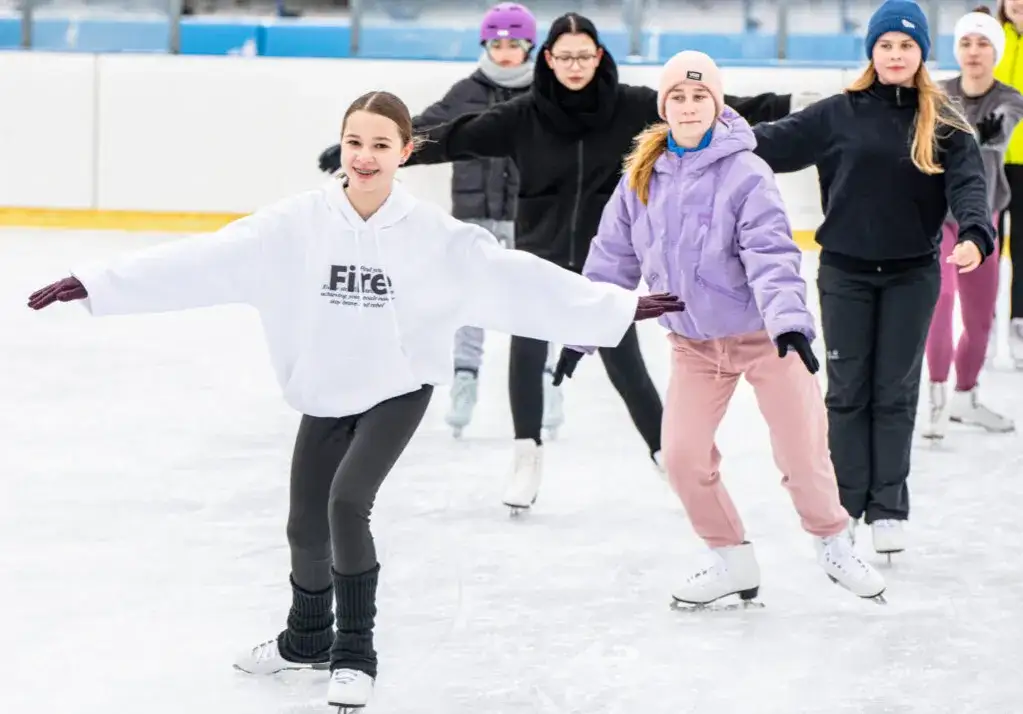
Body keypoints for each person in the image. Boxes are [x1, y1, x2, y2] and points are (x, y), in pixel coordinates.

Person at [26, 91, 683, 710]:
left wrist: (614, 306)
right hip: (327, 386)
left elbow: (513, 279)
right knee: (302, 524)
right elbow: (206, 259)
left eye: (379, 144)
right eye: (352, 142)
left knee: (346, 503)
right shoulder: (296, 225)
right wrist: (96, 283)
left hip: (398, 387)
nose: (363, 155)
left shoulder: (432, 236)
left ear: (405, 151)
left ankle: (354, 651)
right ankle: (304, 640)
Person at [403, 11, 799, 512]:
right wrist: (392, 151)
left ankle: (664, 456)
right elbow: (459, 136)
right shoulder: (523, 116)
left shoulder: (631, 107)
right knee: (527, 349)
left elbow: (727, 108)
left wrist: (800, 106)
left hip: (604, 262)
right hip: (540, 259)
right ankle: (527, 455)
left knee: (623, 358)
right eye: (565, 56)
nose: (574, 65)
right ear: (548, 58)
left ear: (599, 57)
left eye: (584, 55)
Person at [555, 50, 886, 607]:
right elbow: (610, 260)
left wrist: (789, 324)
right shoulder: (641, 174)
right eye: (677, 98)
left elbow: (770, 251)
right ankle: (731, 557)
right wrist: (580, 332)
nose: (688, 106)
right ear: (664, 107)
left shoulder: (746, 171)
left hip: (766, 339)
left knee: (802, 454)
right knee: (682, 458)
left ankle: (832, 542)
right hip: (693, 345)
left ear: (717, 102)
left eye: (699, 96)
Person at [751, 0, 996, 560]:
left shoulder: (946, 122)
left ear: (920, 55)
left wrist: (975, 236)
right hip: (845, 273)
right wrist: (710, 127)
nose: (895, 54)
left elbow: (969, 188)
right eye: (886, 45)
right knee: (846, 393)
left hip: (912, 275)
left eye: (906, 46)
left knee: (894, 393)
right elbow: (771, 143)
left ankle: (888, 507)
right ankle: (844, 507)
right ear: (872, 51)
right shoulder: (838, 113)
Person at [317, 3, 567, 440]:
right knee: (468, 300)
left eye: (515, 44)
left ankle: (545, 381)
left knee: (533, 297)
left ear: (531, 46)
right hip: (473, 214)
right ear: (485, 45)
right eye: (497, 44)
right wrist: (361, 153)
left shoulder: (547, 96)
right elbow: (417, 132)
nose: (506, 52)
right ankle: (466, 378)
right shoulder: (466, 92)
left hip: (530, 215)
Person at [924, 6, 1023, 438]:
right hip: (939, 219)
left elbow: (996, 133)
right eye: (966, 42)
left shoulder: (1010, 99)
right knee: (941, 301)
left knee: (980, 320)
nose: (974, 51)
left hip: (983, 222)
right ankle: (937, 398)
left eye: (983, 42)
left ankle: (966, 395)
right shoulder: (934, 94)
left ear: (997, 50)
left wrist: (959, 131)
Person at [994, 0, 1023, 366]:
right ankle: (981, 324)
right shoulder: (988, 39)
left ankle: (1019, 322)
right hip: (991, 161)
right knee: (985, 245)